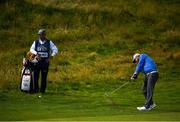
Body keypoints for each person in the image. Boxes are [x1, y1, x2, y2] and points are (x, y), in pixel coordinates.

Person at [30, 29, 58, 93]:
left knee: (44, 77)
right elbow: (31, 49)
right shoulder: (36, 42)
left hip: (45, 61)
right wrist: (36, 53)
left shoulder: (49, 42)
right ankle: (36, 90)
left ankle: (42, 91)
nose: (40, 36)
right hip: (37, 61)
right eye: (39, 35)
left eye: (41, 35)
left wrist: (51, 56)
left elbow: (55, 49)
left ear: (44, 35)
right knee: (36, 76)